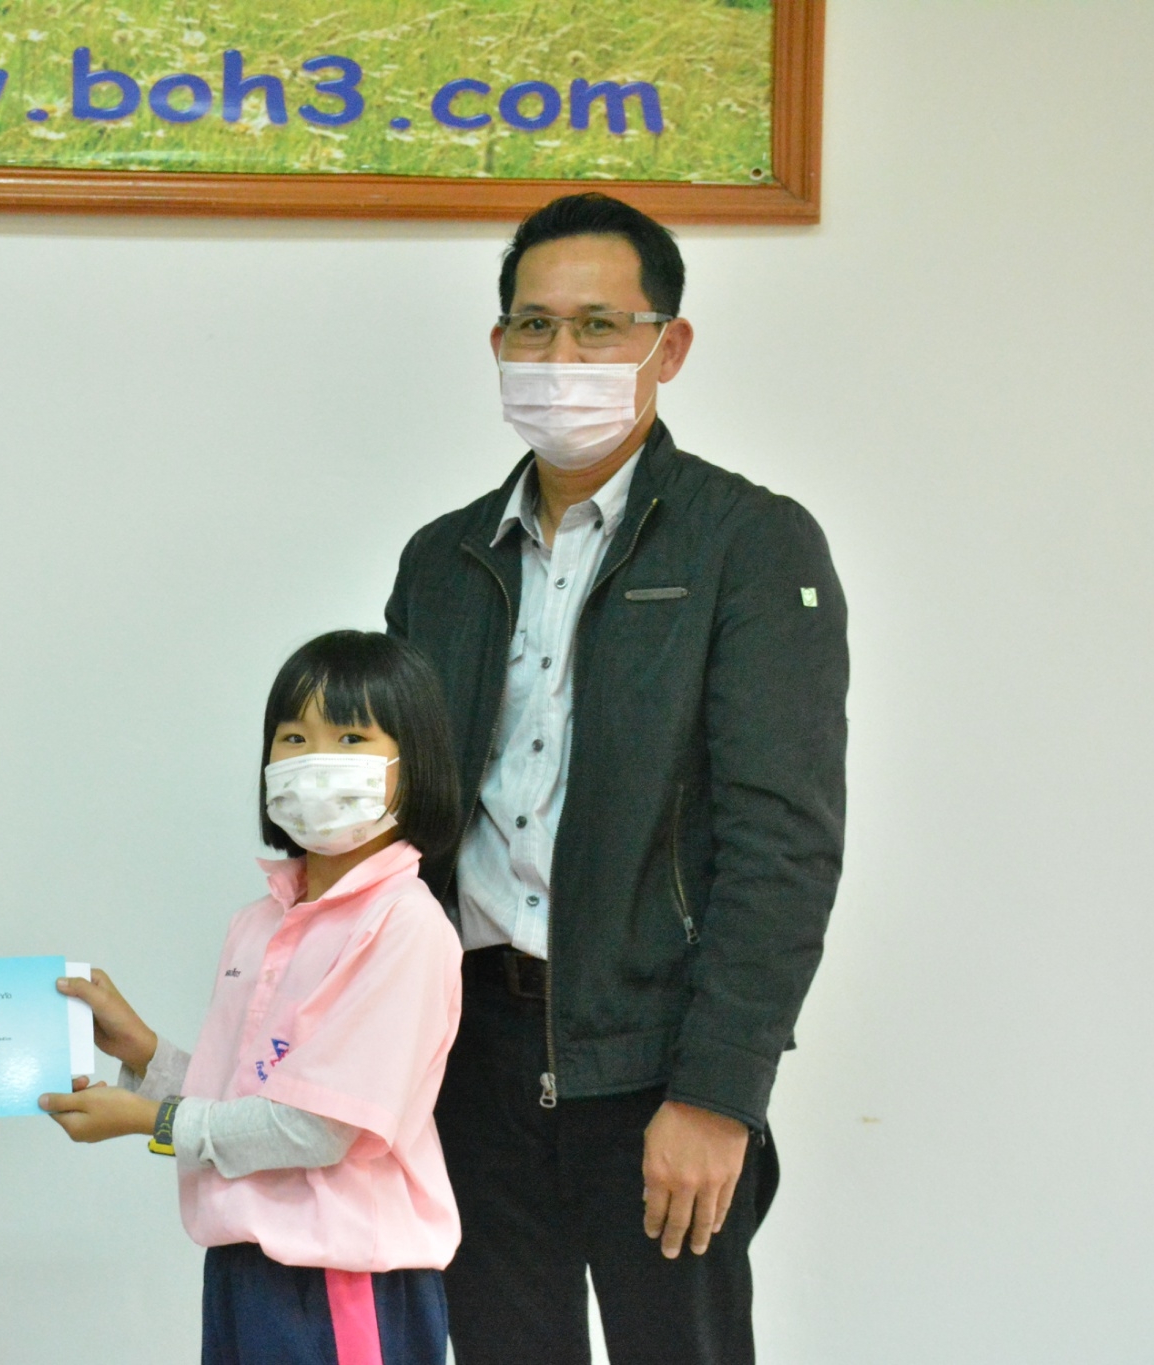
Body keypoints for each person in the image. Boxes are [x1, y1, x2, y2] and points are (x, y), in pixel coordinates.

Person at [383, 192, 849, 1365]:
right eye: (533, 326)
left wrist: (718, 1093)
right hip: (466, 1057)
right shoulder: (440, 561)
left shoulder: (747, 543)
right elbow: (400, 825)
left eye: (598, 326)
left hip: (653, 1061)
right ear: (497, 343)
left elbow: (782, 845)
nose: (561, 355)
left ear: (666, 346)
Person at [42, 630, 467, 1365]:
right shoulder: (258, 923)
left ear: (415, 762)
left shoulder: (404, 924)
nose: (314, 759)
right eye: (294, 737)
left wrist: (150, 1120)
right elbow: (249, 1102)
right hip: (244, 1271)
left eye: (351, 738)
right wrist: (143, 1053)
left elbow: (316, 1129)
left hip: (342, 1279)